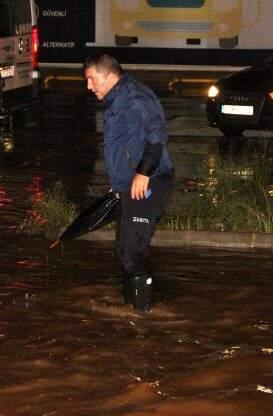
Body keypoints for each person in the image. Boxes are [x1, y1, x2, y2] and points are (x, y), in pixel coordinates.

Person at [84, 53, 174, 312]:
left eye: (92, 79)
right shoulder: (116, 101)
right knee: (125, 250)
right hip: (130, 185)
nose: (89, 87)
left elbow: (157, 138)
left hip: (151, 182)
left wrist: (143, 173)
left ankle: (143, 315)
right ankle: (133, 307)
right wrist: (120, 181)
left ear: (110, 76)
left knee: (133, 251)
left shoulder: (136, 98)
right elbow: (124, 145)